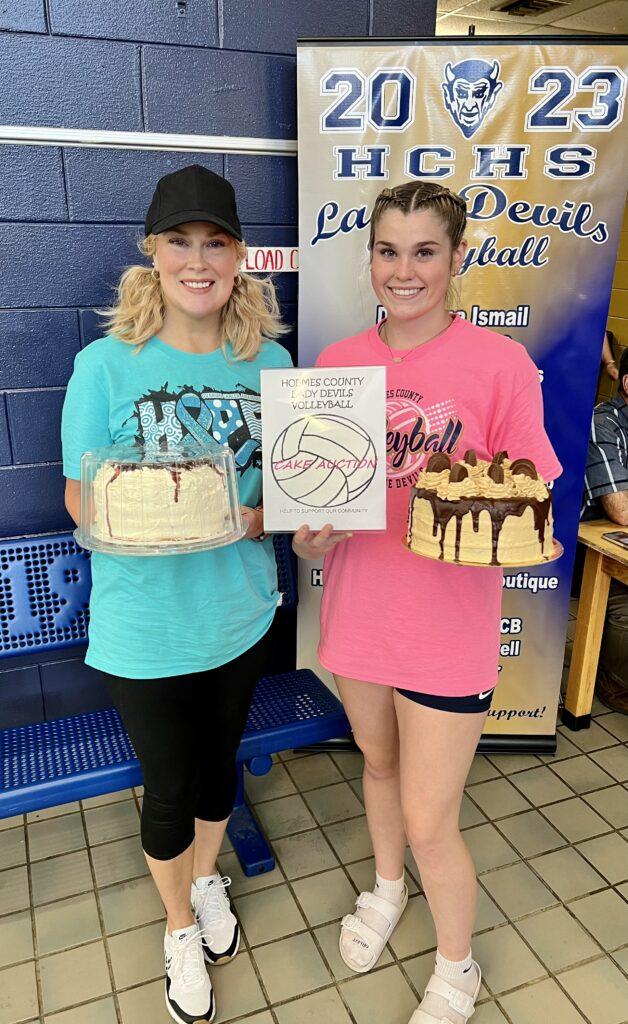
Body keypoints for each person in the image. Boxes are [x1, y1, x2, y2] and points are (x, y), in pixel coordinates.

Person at [293, 182, 561, 1024]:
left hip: (448, 629)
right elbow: (317, 497)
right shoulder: (335, 366)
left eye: (423, 252)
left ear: (456, 258)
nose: (402, 271)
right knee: (376, 766)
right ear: (369, 257)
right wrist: (311, 536)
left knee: (431, 816)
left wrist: (507, 530)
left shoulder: (500, 365)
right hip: (361, 613)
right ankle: (385, 887)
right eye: (387, 250)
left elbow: (532, 491)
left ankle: (458, 964)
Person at [61, 164, 291, 1024]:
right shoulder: (104, 365)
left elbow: (292, 489)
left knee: (216, 773)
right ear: (152, 255)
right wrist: (174, 517)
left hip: (236, 612)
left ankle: (205, 885)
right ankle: (176, 927)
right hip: (144, 623)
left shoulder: (270, 362)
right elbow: (80, 496)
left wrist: (277, 514)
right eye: (180, 242)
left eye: (217, 243)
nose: (199, 261)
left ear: (239, 258)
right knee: (167, 784)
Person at [581, 345, 628, 712]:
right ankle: (613, 679)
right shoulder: (604, 421)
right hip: (589, 549)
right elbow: (620, 510)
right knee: (623, 612)